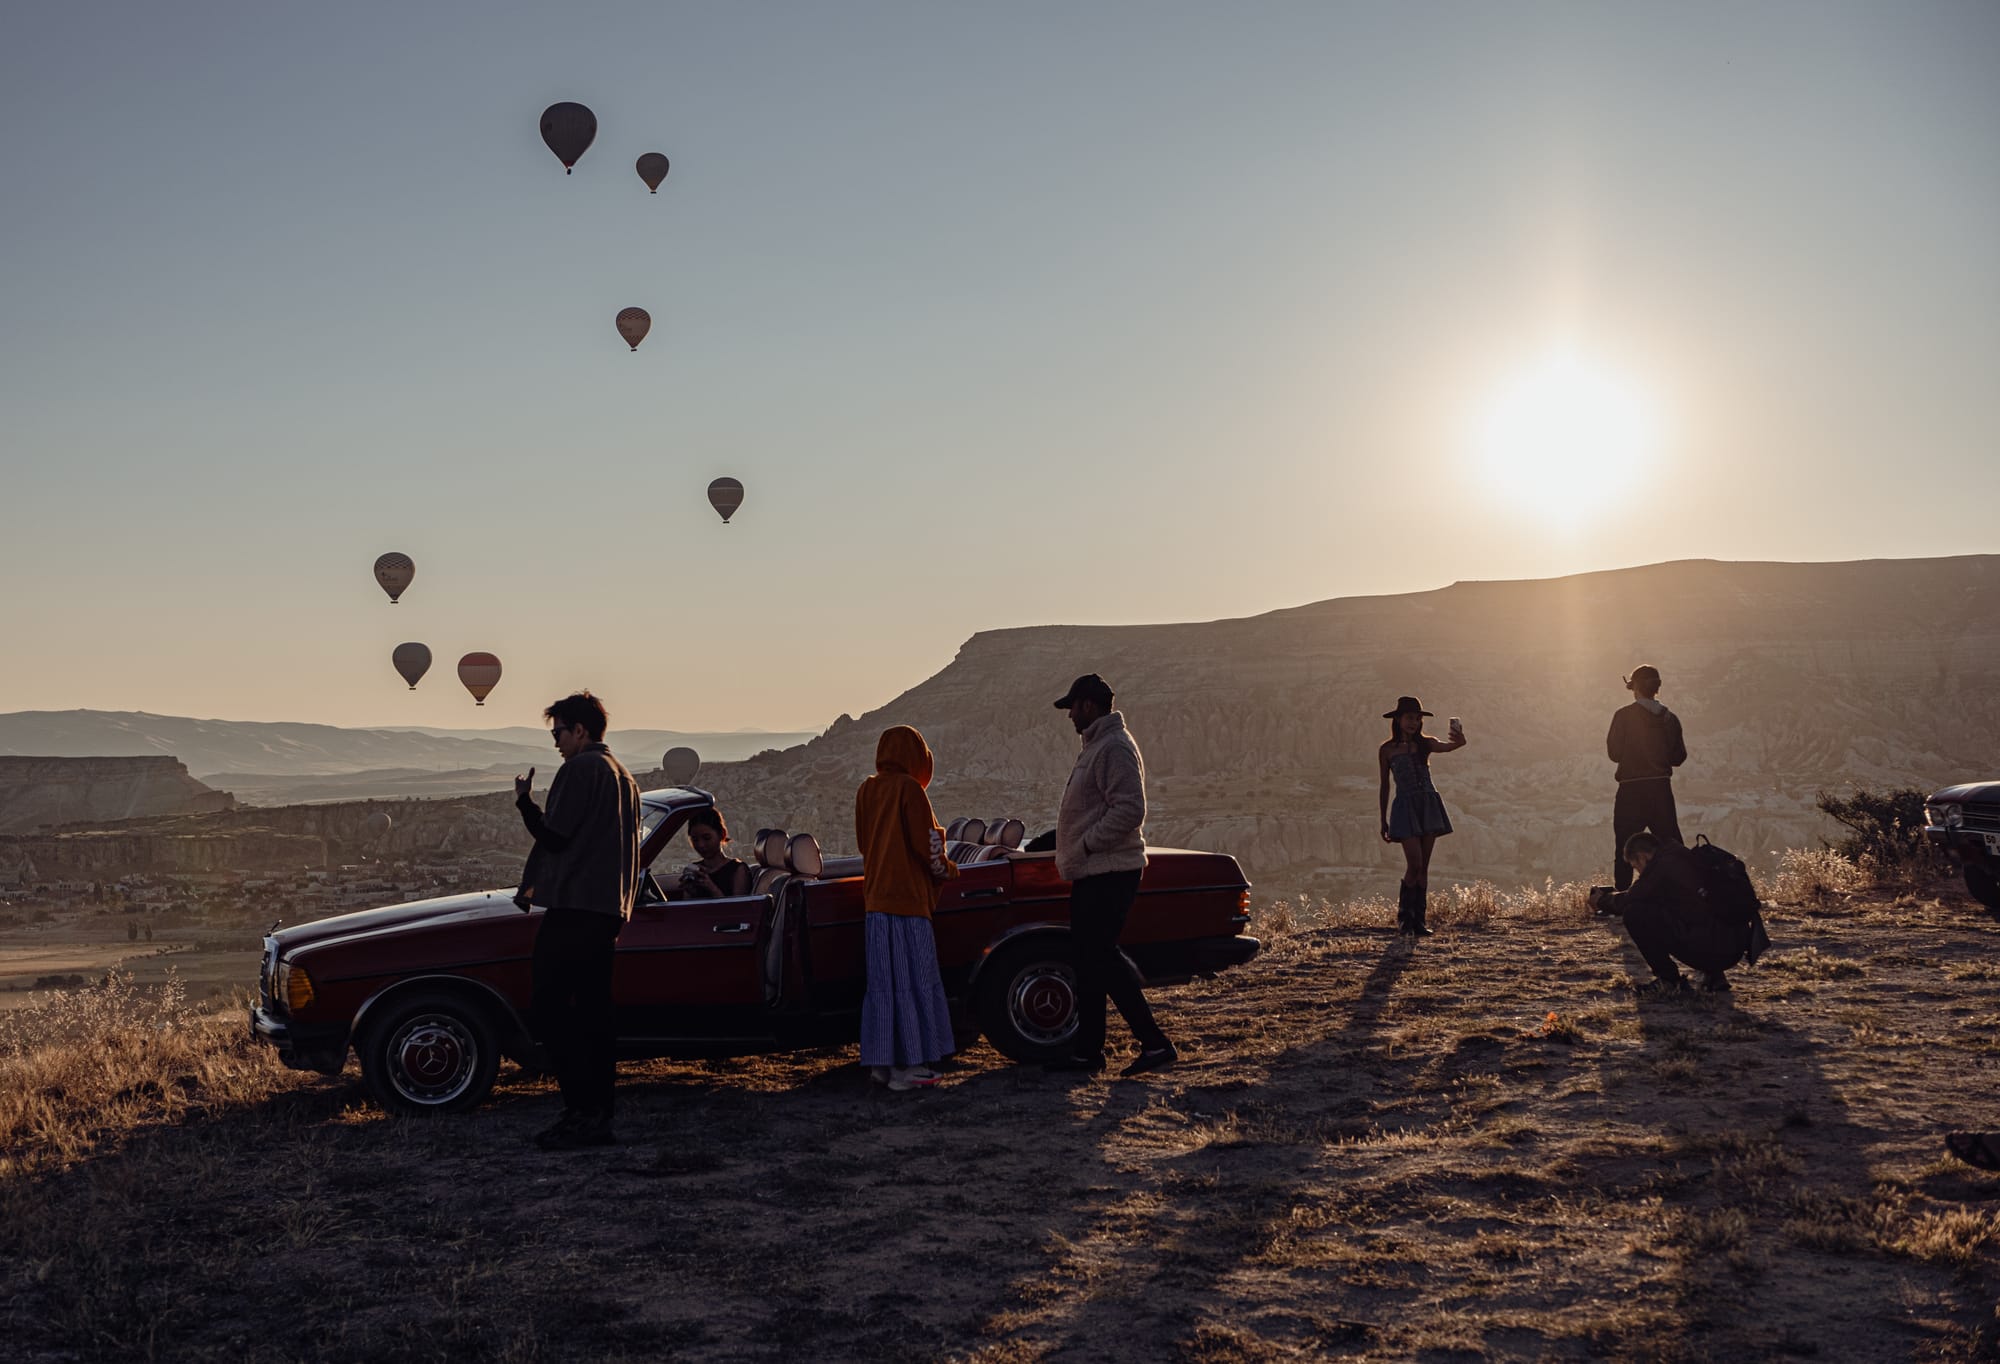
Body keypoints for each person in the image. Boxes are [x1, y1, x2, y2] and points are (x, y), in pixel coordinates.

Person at [513, 691, 643, 1150]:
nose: (556, 744)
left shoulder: (582, 768)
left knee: (548, 1007)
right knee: (594, 1012)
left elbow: (555, 836)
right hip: (607, 908)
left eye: (559, 733)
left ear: (580, 731)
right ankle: (597, 1114)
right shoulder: (623, 776)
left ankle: (579, 1108)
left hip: (575, 906)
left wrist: (525, 803)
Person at [1046, 673, 1176, 1078]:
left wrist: (1085, 845)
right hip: (1095, 870)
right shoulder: (1098, 746)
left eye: (1073, 708)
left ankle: (1154, 1043)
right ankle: (1088, 1053)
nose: (1070, 717)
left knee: (1100, 956)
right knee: (1089, 959)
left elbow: (1129, 810)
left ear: (1088, 705)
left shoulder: (1114, 747)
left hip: (1109, 870)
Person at [853, 725, 959, 1092]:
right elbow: (927, 847)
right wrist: (947, 869)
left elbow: (865, 844)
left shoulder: (867, 789)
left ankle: (882, 1064)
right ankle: (911, 1066)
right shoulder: (909, 790)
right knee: (914, 981)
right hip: (908, 904)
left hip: (876, 904)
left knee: (885, 985)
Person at [1589, 831, 1747, 994]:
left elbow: (1629, 899)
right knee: (1691, 912)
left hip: (1714, 950)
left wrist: (1601, 901)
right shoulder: (1683, 856)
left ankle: (1668, 980)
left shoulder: (1661, 867)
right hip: (1733, 947)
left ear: (1642, 857)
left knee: (1634, 913)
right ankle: (1714, 975)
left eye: (1636, 867)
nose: (1638, 873)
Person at [1377, 697, 1467, 937]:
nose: (1414, 723)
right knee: (1414, 864)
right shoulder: (1386, 750)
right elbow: (1385, 786)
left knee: (1423, 867)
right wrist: (1382, 819)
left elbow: (1447, 746)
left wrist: (1459, 742)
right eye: (1409, 718)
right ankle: (1405, 920)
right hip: (1405, 807)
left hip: (1427, 803)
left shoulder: (1425, 744)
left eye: (1417, 719)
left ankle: (1418, 921)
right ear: (1398, 719)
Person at [1608, 664, 1688, 891]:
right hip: (1660, 789)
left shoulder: (1623, 716)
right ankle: (1683, 889)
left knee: (1624, 843)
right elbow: (1679, 757)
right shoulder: (1670, 719)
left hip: (1630, 789)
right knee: (1671, 843)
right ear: (1656, 688)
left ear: (1635, 688)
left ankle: (1622, 893)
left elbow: (1614, 753)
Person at [674, 807, 754, 900]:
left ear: (722, 834)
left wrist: (711, 888)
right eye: (695, 840)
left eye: (707, 838)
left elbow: (739, 911)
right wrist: (690, 892)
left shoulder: (738, 870)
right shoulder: (696, 870)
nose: (701, 845)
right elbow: (686, 910)